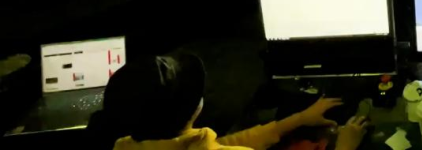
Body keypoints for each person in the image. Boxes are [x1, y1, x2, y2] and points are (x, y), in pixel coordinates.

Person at [87, 54, 370, 150]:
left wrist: (297, 120)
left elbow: (220, 144)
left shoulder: (125, 144)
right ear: (193, 109)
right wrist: (345, 146)